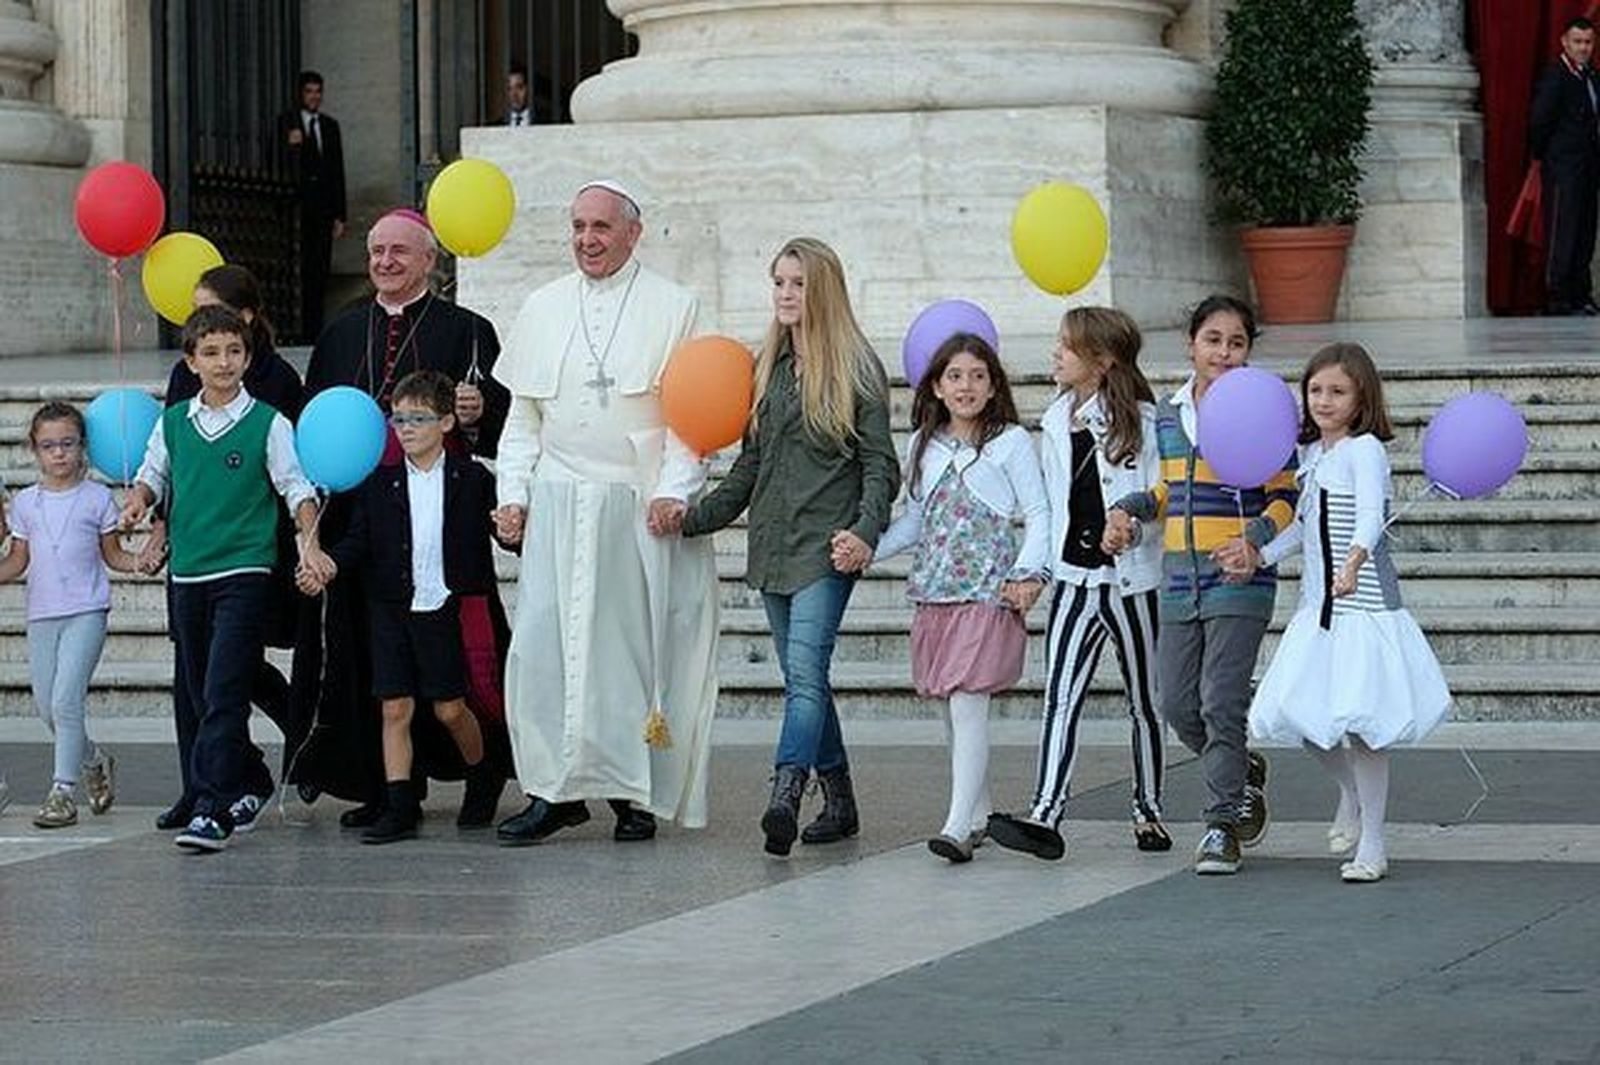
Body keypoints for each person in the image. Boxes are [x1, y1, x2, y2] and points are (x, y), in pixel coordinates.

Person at [491, 179, 719, 847]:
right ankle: (553, 789)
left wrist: (674, 488)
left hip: (633, 498)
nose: (587, 240)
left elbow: (690, 415)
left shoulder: (675, 306)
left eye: (600, 227)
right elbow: (522, 419)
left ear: (632, 233)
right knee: (543, 647)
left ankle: (631, 791)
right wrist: (514, 494)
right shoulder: (542, 305)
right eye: (578, 227)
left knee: (626, 650)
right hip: (559, 496)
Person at [677, 236, 899, 857]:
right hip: (772, 546)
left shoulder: (858, 368)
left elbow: (882, 467)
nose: (785, 294)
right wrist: (694, 517)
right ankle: (840, 798)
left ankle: (785, 792)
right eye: (778, 282)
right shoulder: (768, 366)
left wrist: (865, 531)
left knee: (804, 677)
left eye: (797, 284)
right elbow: (752, 465)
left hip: (827, 549)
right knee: (806, 678)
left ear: (821, 289)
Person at [293, 208, 510, 827]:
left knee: (458, 668)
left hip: (441, 529)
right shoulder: (341, 333)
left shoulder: (468, 329)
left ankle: (481, 773)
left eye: (400, 252)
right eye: (377, 251)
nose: (386, 262)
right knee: (372, 661)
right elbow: (314, 430)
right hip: (363, 523)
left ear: (429, 260)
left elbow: (503, 429)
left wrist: (475, 412)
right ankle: (389, 788)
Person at [1101, 295, 1296, 876]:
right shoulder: (1169, 412)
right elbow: (1168, 491)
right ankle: (1240, 771)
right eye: (1213, 339)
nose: (1225, 352)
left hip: (1240, 579)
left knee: (1221, 701)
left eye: (1237, 342)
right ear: (1191, 345)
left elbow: (1286, 497)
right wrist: (1130, 509)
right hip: (1178, 581)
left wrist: (1256, 539)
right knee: (1176, 704)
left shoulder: (1266, 408)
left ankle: (1220, 826)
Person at [1248, 344, 1451, 883]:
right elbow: (1301, 529)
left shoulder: (1365, 451)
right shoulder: (1313, 458)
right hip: (1318, 608)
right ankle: (1347, 792)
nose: (1324, 401)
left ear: (1362, 397)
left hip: (1360, 606)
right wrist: (1258, 556)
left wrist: (1356, 561)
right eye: (1316, 390)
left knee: (1363, 730)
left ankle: (1374, 845)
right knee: (1304, 719)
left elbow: (1369, 518)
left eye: (1337, 391)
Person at [122, 305, 321, 852]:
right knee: (201, 690)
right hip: (188, 574)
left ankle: (212, 809)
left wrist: (309, 543)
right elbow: (152, 477)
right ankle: (252, 778)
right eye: (210, 352)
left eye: (234, 351)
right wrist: (138, 503)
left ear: (248, 357)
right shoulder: (173, 422)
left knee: (226, 688)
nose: (224, 361)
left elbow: (296, 489)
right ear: (191, 361)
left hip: (246, 572)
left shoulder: (268, 423)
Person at [987, 307, 1168, 862]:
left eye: (1068, 346)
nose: (1056, 354)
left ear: (1102, 360)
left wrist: (1131, 528)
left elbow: (1162, 499)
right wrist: (1034, 571)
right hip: (1074, 579)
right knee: (1060, 696)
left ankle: (1149, 809)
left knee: (1145, 698)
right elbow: (1048, 508)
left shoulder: (1144, 422)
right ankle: (1045, 812)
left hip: (1130, 584)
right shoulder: (1055, 419)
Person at [299, 371, 508, 844]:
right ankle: (398, 804)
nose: (407, 428)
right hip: (392, 609)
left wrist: (513, 529)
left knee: (450, 709)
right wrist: (325, 565)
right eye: (399, 419)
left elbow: (504, 530)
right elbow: (358, 541)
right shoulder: (379, 483)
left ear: (448, 422)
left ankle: (483, 772)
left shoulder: (471, 478)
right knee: (394, 707)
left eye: (419, 418)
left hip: (446, 608)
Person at [870, 334, 1048, 864]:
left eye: (976, 375)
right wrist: (867, 551)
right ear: (937, 387)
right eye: (954, 376)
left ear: (993, 386)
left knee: (969, 703)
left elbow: (1038, 514)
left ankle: (955, 827)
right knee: (951, 711)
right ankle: (978, 812)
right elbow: (917, 519)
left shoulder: (1011, 442)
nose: (965, 385)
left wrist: (1027, 573)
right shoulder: (922, 444)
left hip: (988, 591)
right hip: (936, 591)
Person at [0, 404, 139, 828]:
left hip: (86, 610)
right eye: (48, 446)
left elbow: (113, 555)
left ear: (82, 447)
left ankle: (62, 791)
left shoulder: (97, 498)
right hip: (42, 614)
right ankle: (94, 761)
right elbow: (18, 560)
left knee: (65, 700)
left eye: (67, 444)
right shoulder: (25, 503)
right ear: (33, 450)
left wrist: (142, 562)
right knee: (46, 707)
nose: (58, 453)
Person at [1530, 17, 1600, 316]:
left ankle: (1580, 294)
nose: (1583, 48)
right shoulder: (1555, 76)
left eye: (1587, 42)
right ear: (1565, 42)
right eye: (1578, 42)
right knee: (1564, 231)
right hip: (1563, 169)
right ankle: (1558, 296)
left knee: (1585, 232)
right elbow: (1539, 122)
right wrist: (1550, 158)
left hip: (1589, 169)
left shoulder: (1592, 77)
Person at [279, 69, 347, 339]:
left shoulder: (330, 126)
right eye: (309, 91)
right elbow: (276, 161)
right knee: (297, 270)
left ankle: (314, 328)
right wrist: (291, 146)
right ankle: (296, 328)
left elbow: (337, 170)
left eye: (318, 92)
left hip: (323, 210)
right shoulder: (286, 122)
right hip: (296, 209)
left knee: (320, 269)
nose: (314, 97)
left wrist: (340, 214)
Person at [505, 62, 535, 126]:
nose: (514, 94)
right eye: (509, 88)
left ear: (529, 89)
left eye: (519, 87)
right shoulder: (498, 125)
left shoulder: (543, 122)